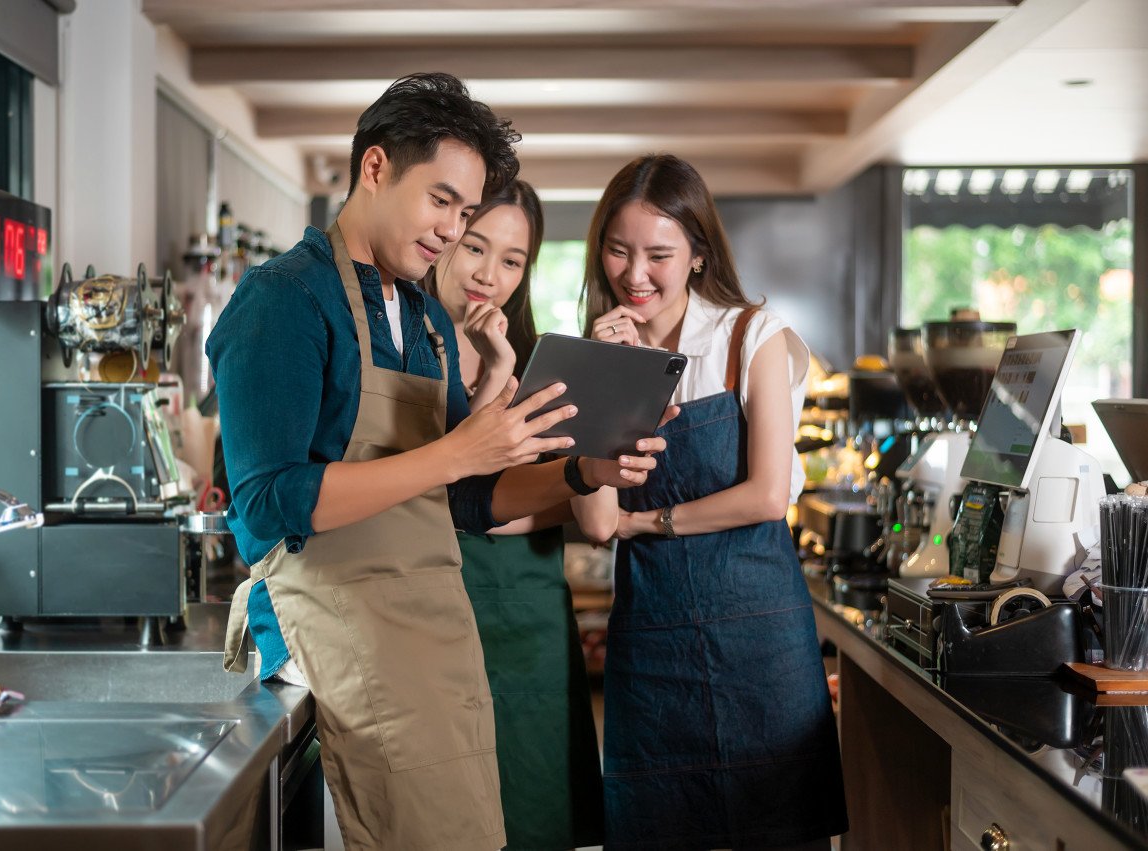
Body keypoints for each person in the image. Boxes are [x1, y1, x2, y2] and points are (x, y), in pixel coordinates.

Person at [205, 74, 667, 851]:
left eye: (466, 210)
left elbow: (466, 498)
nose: (453, 231)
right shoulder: (285, 299)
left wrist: (585, 471)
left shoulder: (418, 314)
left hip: (435, 640)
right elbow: (268, 503)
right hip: (344, 636)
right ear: (377, 168)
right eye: (443, 201)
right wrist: (457, 450)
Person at [582, 154, 848, 850]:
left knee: (779, 831)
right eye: (618, 250)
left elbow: (765, 495)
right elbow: (598, 521)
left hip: (759, 640)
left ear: (698, 255)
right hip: (652, 641)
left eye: (659, 254)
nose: (635, 274)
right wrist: (612, 380)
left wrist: (654, 521)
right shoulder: (603, 349)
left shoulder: (750, 335)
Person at [422, 178, 608, 850]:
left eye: (511, 260)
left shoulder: (539, 363)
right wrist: (495, 375)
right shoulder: (404, 347)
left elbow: (582, 504)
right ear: (445, 235)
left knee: (537, 814)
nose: (488, 274)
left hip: (530, 613)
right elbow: (442, 491)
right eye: (476, 245)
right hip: (437, 614)